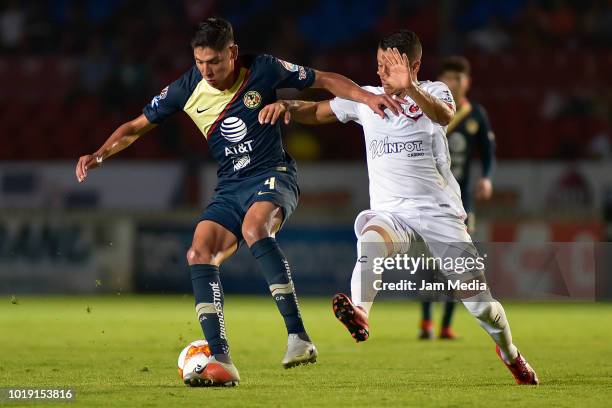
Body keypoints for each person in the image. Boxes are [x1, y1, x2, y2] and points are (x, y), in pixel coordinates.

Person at [74, 17, 401, 387]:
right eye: (199, 62)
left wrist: (367, 97)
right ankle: (222, 358)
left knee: (254, 228)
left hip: (274, 173)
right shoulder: (186, 88)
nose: (206, 70)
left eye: (213, 61)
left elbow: (324, 79)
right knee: (199, 252)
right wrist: (100, 153)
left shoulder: (263, 68)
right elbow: (136, 126)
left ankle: (299, 338)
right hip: (230, 185)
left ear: (232, 52)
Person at [258, 29, 538, 385]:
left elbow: (444, 116)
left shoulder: (435, 91)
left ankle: (510, 353)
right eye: (378, 65)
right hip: (394, 216)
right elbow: (317, 111)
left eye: (389, 66)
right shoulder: (367, 98)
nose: (381, 73)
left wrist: (410, 87)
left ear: (414, 64)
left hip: (440, 216)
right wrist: (286, 106)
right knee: (371, 238)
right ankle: (360, 311)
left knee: (482, 307)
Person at [419, 56, 497, 340]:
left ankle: (446, 325)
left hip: (461, 200)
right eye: (448, 78)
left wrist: (487, 178)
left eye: (458, 78)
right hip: (428, 196)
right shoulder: (425, 108)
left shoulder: (476, 114)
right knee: (430, 262)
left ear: (468, 82)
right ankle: (426, 321)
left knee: (459, 263)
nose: (453, 83)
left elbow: (488, 153)